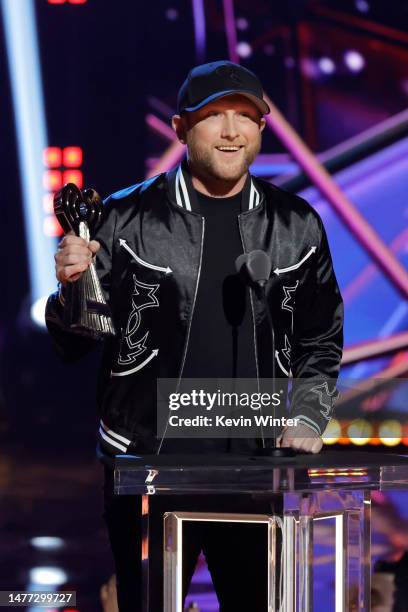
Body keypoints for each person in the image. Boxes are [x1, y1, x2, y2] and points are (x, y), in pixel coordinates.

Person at [46, 60, 344, 611]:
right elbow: (74, 343)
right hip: (146, 464)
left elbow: (320, 335)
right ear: (181, 129)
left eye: (246, 117)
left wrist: (306, 414)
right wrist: (70, 288)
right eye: (214, 117)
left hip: (255, 465)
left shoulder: (297, 224)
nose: (232, 131)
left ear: (262, 127)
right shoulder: (125, 216)